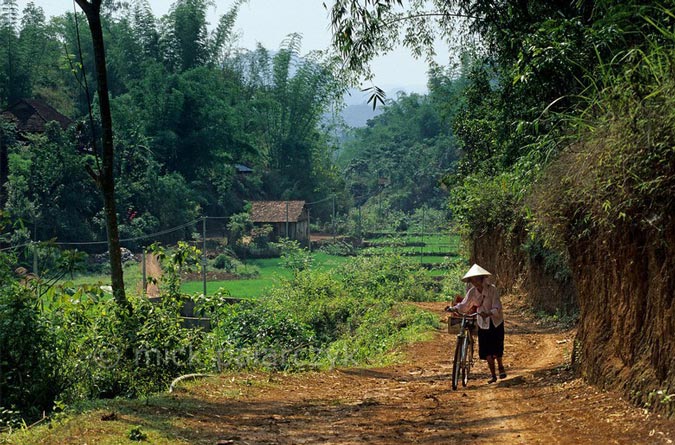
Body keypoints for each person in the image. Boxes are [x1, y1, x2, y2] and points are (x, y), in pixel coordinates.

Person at [446, 264, 506, 384]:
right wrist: (453, 309)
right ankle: (493, 375)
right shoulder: (472, 292)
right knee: (487, 350)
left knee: (497, 348)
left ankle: (500, 366)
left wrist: (488, 313)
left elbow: (497, 306)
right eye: (473, 280)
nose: (475, 282)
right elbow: (464, 305)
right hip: (482, 323)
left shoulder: (492, 289)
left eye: (477, 279)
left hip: (495, 322)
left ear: (482, 278)